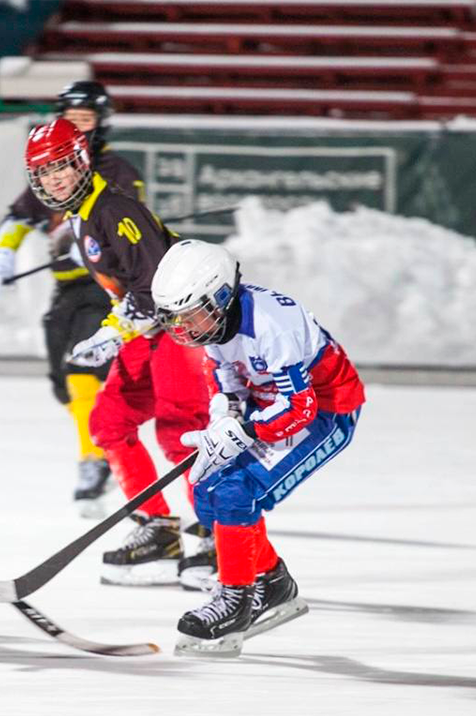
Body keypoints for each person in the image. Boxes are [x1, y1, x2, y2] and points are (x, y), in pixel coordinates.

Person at [150, 239, 366, 658]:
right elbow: (225, 379)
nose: (183, 329)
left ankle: (237, 599)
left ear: (221, 296)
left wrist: (245, 431)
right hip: (269, 407)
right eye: (176, 318)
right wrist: (224, 418)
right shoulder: (212, 325)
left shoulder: (271, 325)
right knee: (204, 491)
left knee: (236, 492)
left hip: (328, 410)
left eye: (190, 314)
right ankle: (272, 582)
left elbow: (301, 408)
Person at [22, 116, 211, 586]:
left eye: (62, 166)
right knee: (107, 422)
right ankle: (157, 530)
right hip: (146, 334)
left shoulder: (114, 210)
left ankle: (216, 536)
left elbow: (154, 287)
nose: (55, 178)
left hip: (177, 331)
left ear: (82, 161)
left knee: (180, 434)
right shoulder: (84, 213)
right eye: (44, 172)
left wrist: (112, 331)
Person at [0, 81, 144, 518]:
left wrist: (90, 235)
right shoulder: (53, 165)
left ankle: (95, 460)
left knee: (81, 370)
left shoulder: (117, 170)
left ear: (101, 125)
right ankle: (103, 445)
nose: (78, 128)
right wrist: (2, 252)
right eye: (71, 120)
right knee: (63, 381)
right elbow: (22, 213)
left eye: (86, 120)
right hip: (67, 287)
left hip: (104, 286)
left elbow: (130, 219)